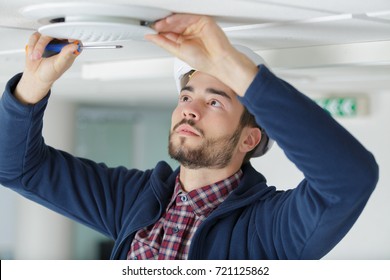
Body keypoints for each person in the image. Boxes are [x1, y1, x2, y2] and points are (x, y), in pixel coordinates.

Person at [0, 14, 378, 260]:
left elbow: (348, 181)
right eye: (186, 95)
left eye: (215, 101)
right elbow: (17, 169)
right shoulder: (133, 200)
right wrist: (33, 86)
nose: (189, 109)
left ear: (250, 139)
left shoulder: (269, 230)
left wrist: (235, 67)